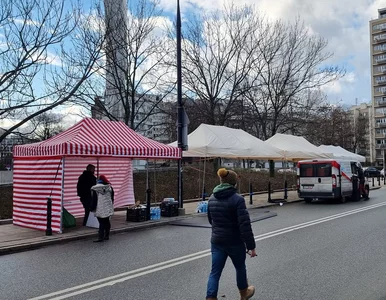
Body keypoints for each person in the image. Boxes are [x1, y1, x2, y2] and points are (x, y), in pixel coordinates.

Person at [206, 168, 257, 300]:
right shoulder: (238, 199)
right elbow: (244, 224)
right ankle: (244, 293)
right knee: (240, 268)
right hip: (235, 242)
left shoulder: (211, 198)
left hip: (217, 241)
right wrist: (251, 246)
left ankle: (210, 297)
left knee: (215, 272)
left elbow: (211, 220)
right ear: (234, 183)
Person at [90, 174, 114, 242]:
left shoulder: (95, 188)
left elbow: (94, 200)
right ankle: (107, 235)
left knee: (101, 222)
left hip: (100, 207)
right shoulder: (109, 187)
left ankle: (100, 237)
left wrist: (92, 208)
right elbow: (112, 197)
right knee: (106, 221)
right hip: (108, 206)